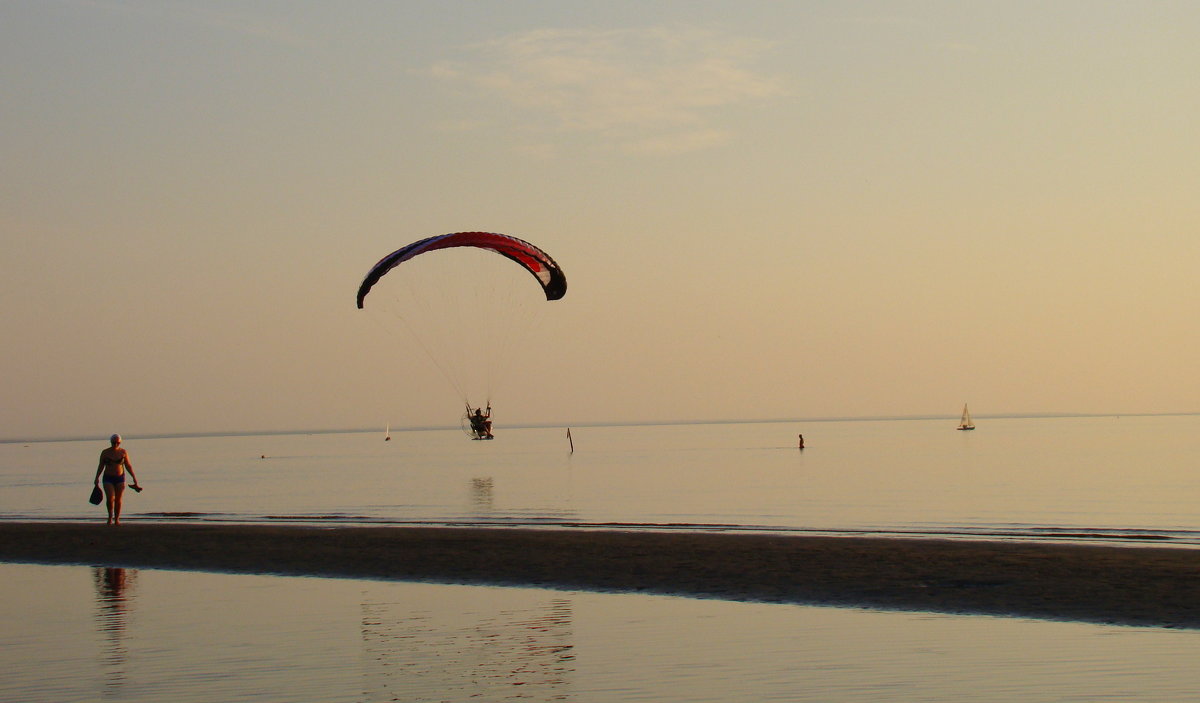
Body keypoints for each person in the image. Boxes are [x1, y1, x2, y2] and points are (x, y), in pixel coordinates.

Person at [93, 434, 141, 525]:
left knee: (118, 499)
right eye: (113, 443)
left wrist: (134, 478)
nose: (115, 444)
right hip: (108, 477)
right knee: (110, 498)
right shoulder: (105, 452)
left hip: (120, 478)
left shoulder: (123, 452)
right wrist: (96, 478)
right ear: (111, 442)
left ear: (120, 443)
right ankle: (110, 517)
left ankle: (117, 519)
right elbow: (101, 466)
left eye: (117, 443)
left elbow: (128, 466)